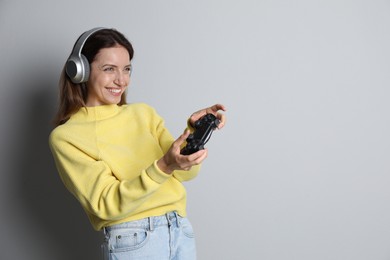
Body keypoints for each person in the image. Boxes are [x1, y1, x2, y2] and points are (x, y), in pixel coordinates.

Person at [48, 27, 226, 260]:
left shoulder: (143, 113)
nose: (121, 80)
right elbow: (106, 203)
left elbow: (184, 174)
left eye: (127, 69)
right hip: (134, 238)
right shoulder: (67, 137)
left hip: (179, 228)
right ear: (80, 70)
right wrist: (163, 166)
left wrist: (194, 134)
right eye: (109, 69)